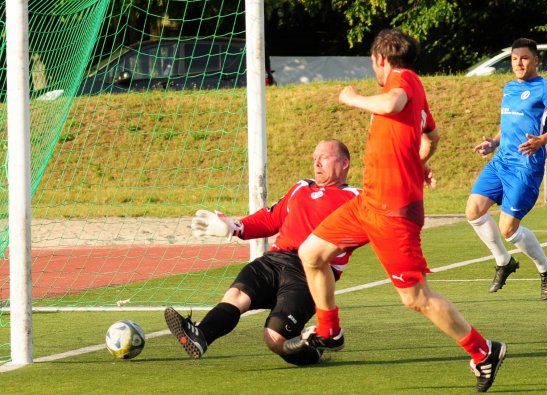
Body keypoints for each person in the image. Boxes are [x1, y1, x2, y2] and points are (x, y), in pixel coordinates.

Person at [283, 29, 505, 393]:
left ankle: (484, 351)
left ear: (381, 59)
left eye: (373, 62)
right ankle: (329, 331)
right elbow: (430, 136)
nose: (374, 69)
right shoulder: (415, 91)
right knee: (311, 253)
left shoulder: (402, 80)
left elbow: (390, 105)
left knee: (415, 297)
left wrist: (352, 97)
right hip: (368, 202)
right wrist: (416, 164)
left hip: (393, 211)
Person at [164, 139, 361, 366]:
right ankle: (201, 336)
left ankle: (311, 347)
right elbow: (270, 218)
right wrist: (234, 227)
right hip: (273, 261)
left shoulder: (357, 198)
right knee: (236, 297)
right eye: (315, 157)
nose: (317, 163)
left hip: (309, 273)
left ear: (344, 163)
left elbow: (378, 228)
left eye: (324, 158)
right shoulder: (301, 187)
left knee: (275, 339)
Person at [466, 38, 547, 300]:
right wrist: (494, 142)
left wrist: (541, 140)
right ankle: (504, 261)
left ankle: (546, 267)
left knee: (508, 229)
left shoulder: (545, 89)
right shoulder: (509, 87)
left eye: (524, 58)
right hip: (501, 160)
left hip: (525, 165)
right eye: (515, 59)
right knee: (473, 211)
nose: (518, 63)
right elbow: (510, 124)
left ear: (536, 60)